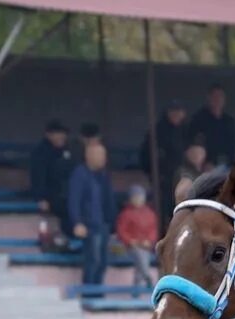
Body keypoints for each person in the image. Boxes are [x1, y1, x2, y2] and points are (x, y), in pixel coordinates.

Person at [68, 142, 116, 292]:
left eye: (104, 155)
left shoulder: (103, 175)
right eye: (99, 155)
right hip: (89, 225)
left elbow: (109, 201)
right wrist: (77, 222)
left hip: (103, 224)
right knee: (93, 260)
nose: (103, 159)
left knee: (102, 262)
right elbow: (74, 200)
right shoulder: (79, 174)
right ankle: (89, 293)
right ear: (88, 156)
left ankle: (97, 292)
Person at [141, 100, 188, 223]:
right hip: (162, 179)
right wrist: (152, 174)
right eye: (174, 112)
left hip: (180, 177)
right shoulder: (158, 131)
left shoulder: (185, 130)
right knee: (162, 210)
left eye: (179, 112)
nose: (177, 115)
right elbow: (146, 155)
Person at [115, 184, 160, 290]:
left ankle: (136, 288)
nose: (138, 199)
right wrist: (130, 241)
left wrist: (149, 241)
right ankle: (147, 276)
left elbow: (153, 230)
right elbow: (121, 231)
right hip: (130, 247)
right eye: (135, 197)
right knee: (140, 254)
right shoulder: (126, 214)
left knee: (142, 256)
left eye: (140, 197)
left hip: (146, 246)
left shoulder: (150, 213)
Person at [29, 120, 74, 219]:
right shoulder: (40, 152)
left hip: (67, 195)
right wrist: (41, 198)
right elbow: (37, 177)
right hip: (51, 197)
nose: (62, 136)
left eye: (63, 133)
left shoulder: (67, 150)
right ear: (48, 135)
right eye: (58, 133)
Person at [187, 84, 235, 168]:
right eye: (214, 96)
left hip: (228, 165)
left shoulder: (229, 121)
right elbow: (193, 144)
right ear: (208, 98)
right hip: (206, 167)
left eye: (220, 96)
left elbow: (234, 143)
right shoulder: (198, 119)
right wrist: (204, 163)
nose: (217, 99)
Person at [173, 139, 208, 204]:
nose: (197, 156)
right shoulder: (183, 172)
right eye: (193, 153)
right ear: (187, 153)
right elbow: (182, 192)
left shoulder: (207, 171)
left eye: (200, 153)